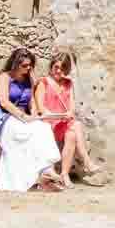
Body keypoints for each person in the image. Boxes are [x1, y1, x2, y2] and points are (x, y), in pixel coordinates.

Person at [0, 48, 63, 192]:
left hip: (24, 117)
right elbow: (4, 102)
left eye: (30, 65)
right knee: (24, 133)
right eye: (24, 65)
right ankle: (36, 177)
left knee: (43, 128)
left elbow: (31, 103)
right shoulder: (4, 77)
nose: (28, 68)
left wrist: (37, 115)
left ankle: (47, 170)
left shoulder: (28, 80)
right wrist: (24, 117)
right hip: (7, 117)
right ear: (15, 64)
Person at [34, 50, 104, 187]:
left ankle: (64, 174)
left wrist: (68, 114)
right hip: (47, 124)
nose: (59, 71)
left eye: (63, 68)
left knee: (73, 132)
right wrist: (61, 116)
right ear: (51, 66)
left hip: (63, 123)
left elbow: (72, 107)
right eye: (56, 67)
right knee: (75, 125)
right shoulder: (43, 83)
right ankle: (87, 161)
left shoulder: (68, 84)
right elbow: (42, 110)